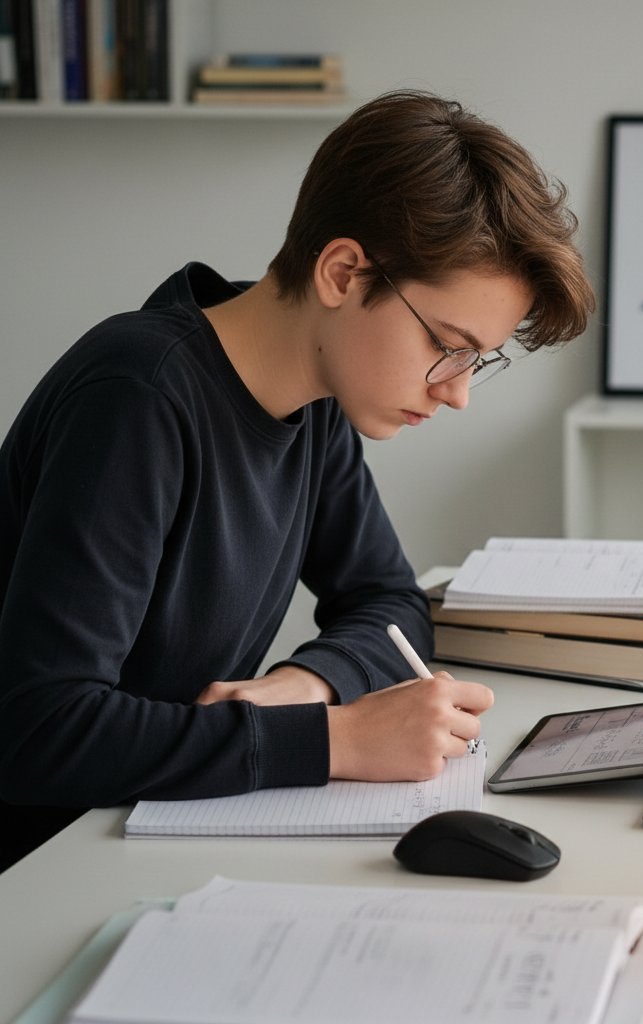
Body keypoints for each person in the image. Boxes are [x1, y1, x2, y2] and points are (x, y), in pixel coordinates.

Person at [0, 90, 595, 870]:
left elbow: (389, 604)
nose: (457, 392)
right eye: (447, 346)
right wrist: (336, 739)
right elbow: (40, 732)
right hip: (42, 869)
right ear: (343, 273)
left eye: (477, 360)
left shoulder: (314, 405)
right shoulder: (138, 398)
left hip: (139, 838)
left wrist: (308, 683)